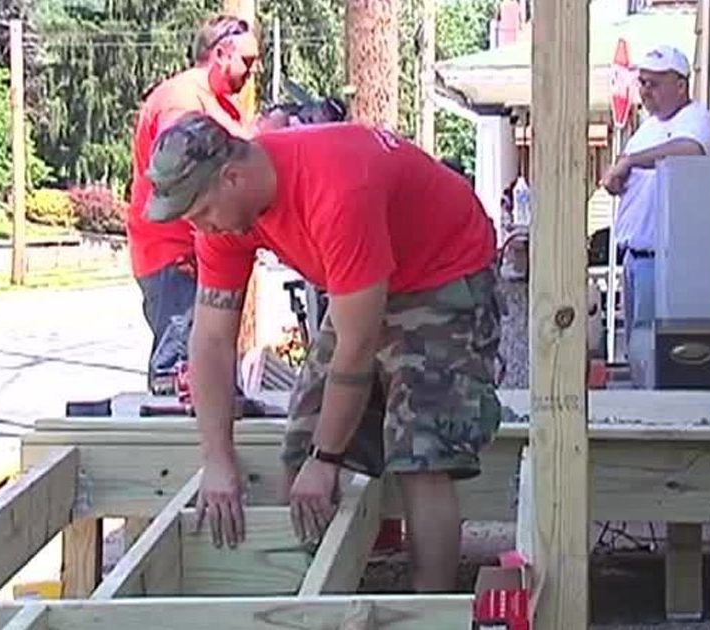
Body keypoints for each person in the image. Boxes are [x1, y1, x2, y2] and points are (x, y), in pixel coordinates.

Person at [143, 113, 503, 592]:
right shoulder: (225, 220)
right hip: (363, 279)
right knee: (300, 443)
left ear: (232, 177)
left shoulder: (334, 189)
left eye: (201, 212)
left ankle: (430, 611)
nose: (201, 227)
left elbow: (356, 347)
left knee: (422, 449)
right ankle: (301, 599)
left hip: (442, 270)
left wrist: (329, 458)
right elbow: (210, 341)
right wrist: (217, 458)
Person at [126, 14, 259, 386]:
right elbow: (178, 170)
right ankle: (179, 444)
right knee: (179, 375)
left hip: (200, 254)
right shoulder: (181, 100)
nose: (251, 72)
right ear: (221, 53)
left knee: (207, 369)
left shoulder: (220, 106)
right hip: (175, 256)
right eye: (246, 62)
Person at [600, 45, 710, 347]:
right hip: (634, 257)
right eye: (642, 82)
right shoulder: (649, 127)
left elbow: (690, 150)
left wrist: (631, 161)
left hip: (665, 261)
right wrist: (616, 175)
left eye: (654, 83)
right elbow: (622, 168)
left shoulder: (696, 118)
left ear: (680, 85)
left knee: (655, 350)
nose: (645, 91)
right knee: (637, 350)